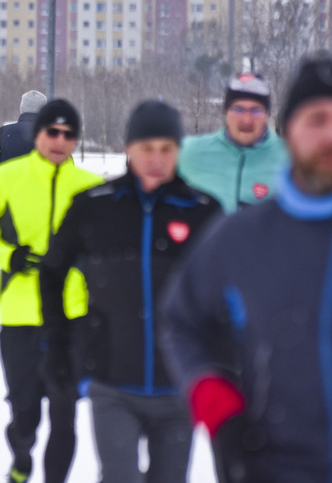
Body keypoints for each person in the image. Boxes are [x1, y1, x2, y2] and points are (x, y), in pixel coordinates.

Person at [161, 56, 332, 483]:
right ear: (290, 131)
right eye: (316, 118)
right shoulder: (241, 236)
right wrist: (217, 407)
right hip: (267, 467)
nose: (331, 134)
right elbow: (181, 319)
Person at [39, 100, 222, 482]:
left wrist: (221, 359)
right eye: (146, 148)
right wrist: (60, 344)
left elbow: (229, 291)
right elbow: (52, 272)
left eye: (166, 149)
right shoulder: (95, 207)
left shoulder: (202, 212)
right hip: (112, 381)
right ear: (128, 148)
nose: (156, 159)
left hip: (178, 386)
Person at [0, 99, 103, 483]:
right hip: (21, 315)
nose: (59, 140)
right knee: (26, 415)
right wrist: (8, 256)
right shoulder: (8, 178)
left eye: (68, 134)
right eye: (51, 132)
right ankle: (21, 456)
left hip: (73, 318)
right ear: (38, 134)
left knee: (64, 414)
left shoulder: (91, 187)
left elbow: (112, 247)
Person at [178, 73, 288, 213]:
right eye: (238, 109)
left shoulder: (291, 158)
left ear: (267, 114)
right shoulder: (190, 151)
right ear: (226, 112)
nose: (246, 120)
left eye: (256, 110)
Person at [0, 90, 47, 175]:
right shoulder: (54, 135)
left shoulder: (2, 133)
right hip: (43, 187)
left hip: (6, 187)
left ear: (21, 108)